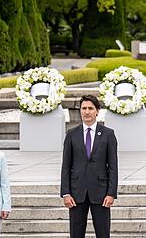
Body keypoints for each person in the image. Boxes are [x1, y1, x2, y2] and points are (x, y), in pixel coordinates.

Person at [60, 94, 118, 238]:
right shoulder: (71, 134)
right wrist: (66, 193)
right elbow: (66, 166)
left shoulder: (108, 134)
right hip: (76, 193)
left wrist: (111, 193)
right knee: (76, 234)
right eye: (84, 108)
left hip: (101, 193)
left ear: (97, 111)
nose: (87, 112)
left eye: (90, 108)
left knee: (103, 233)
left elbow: (113, 166)